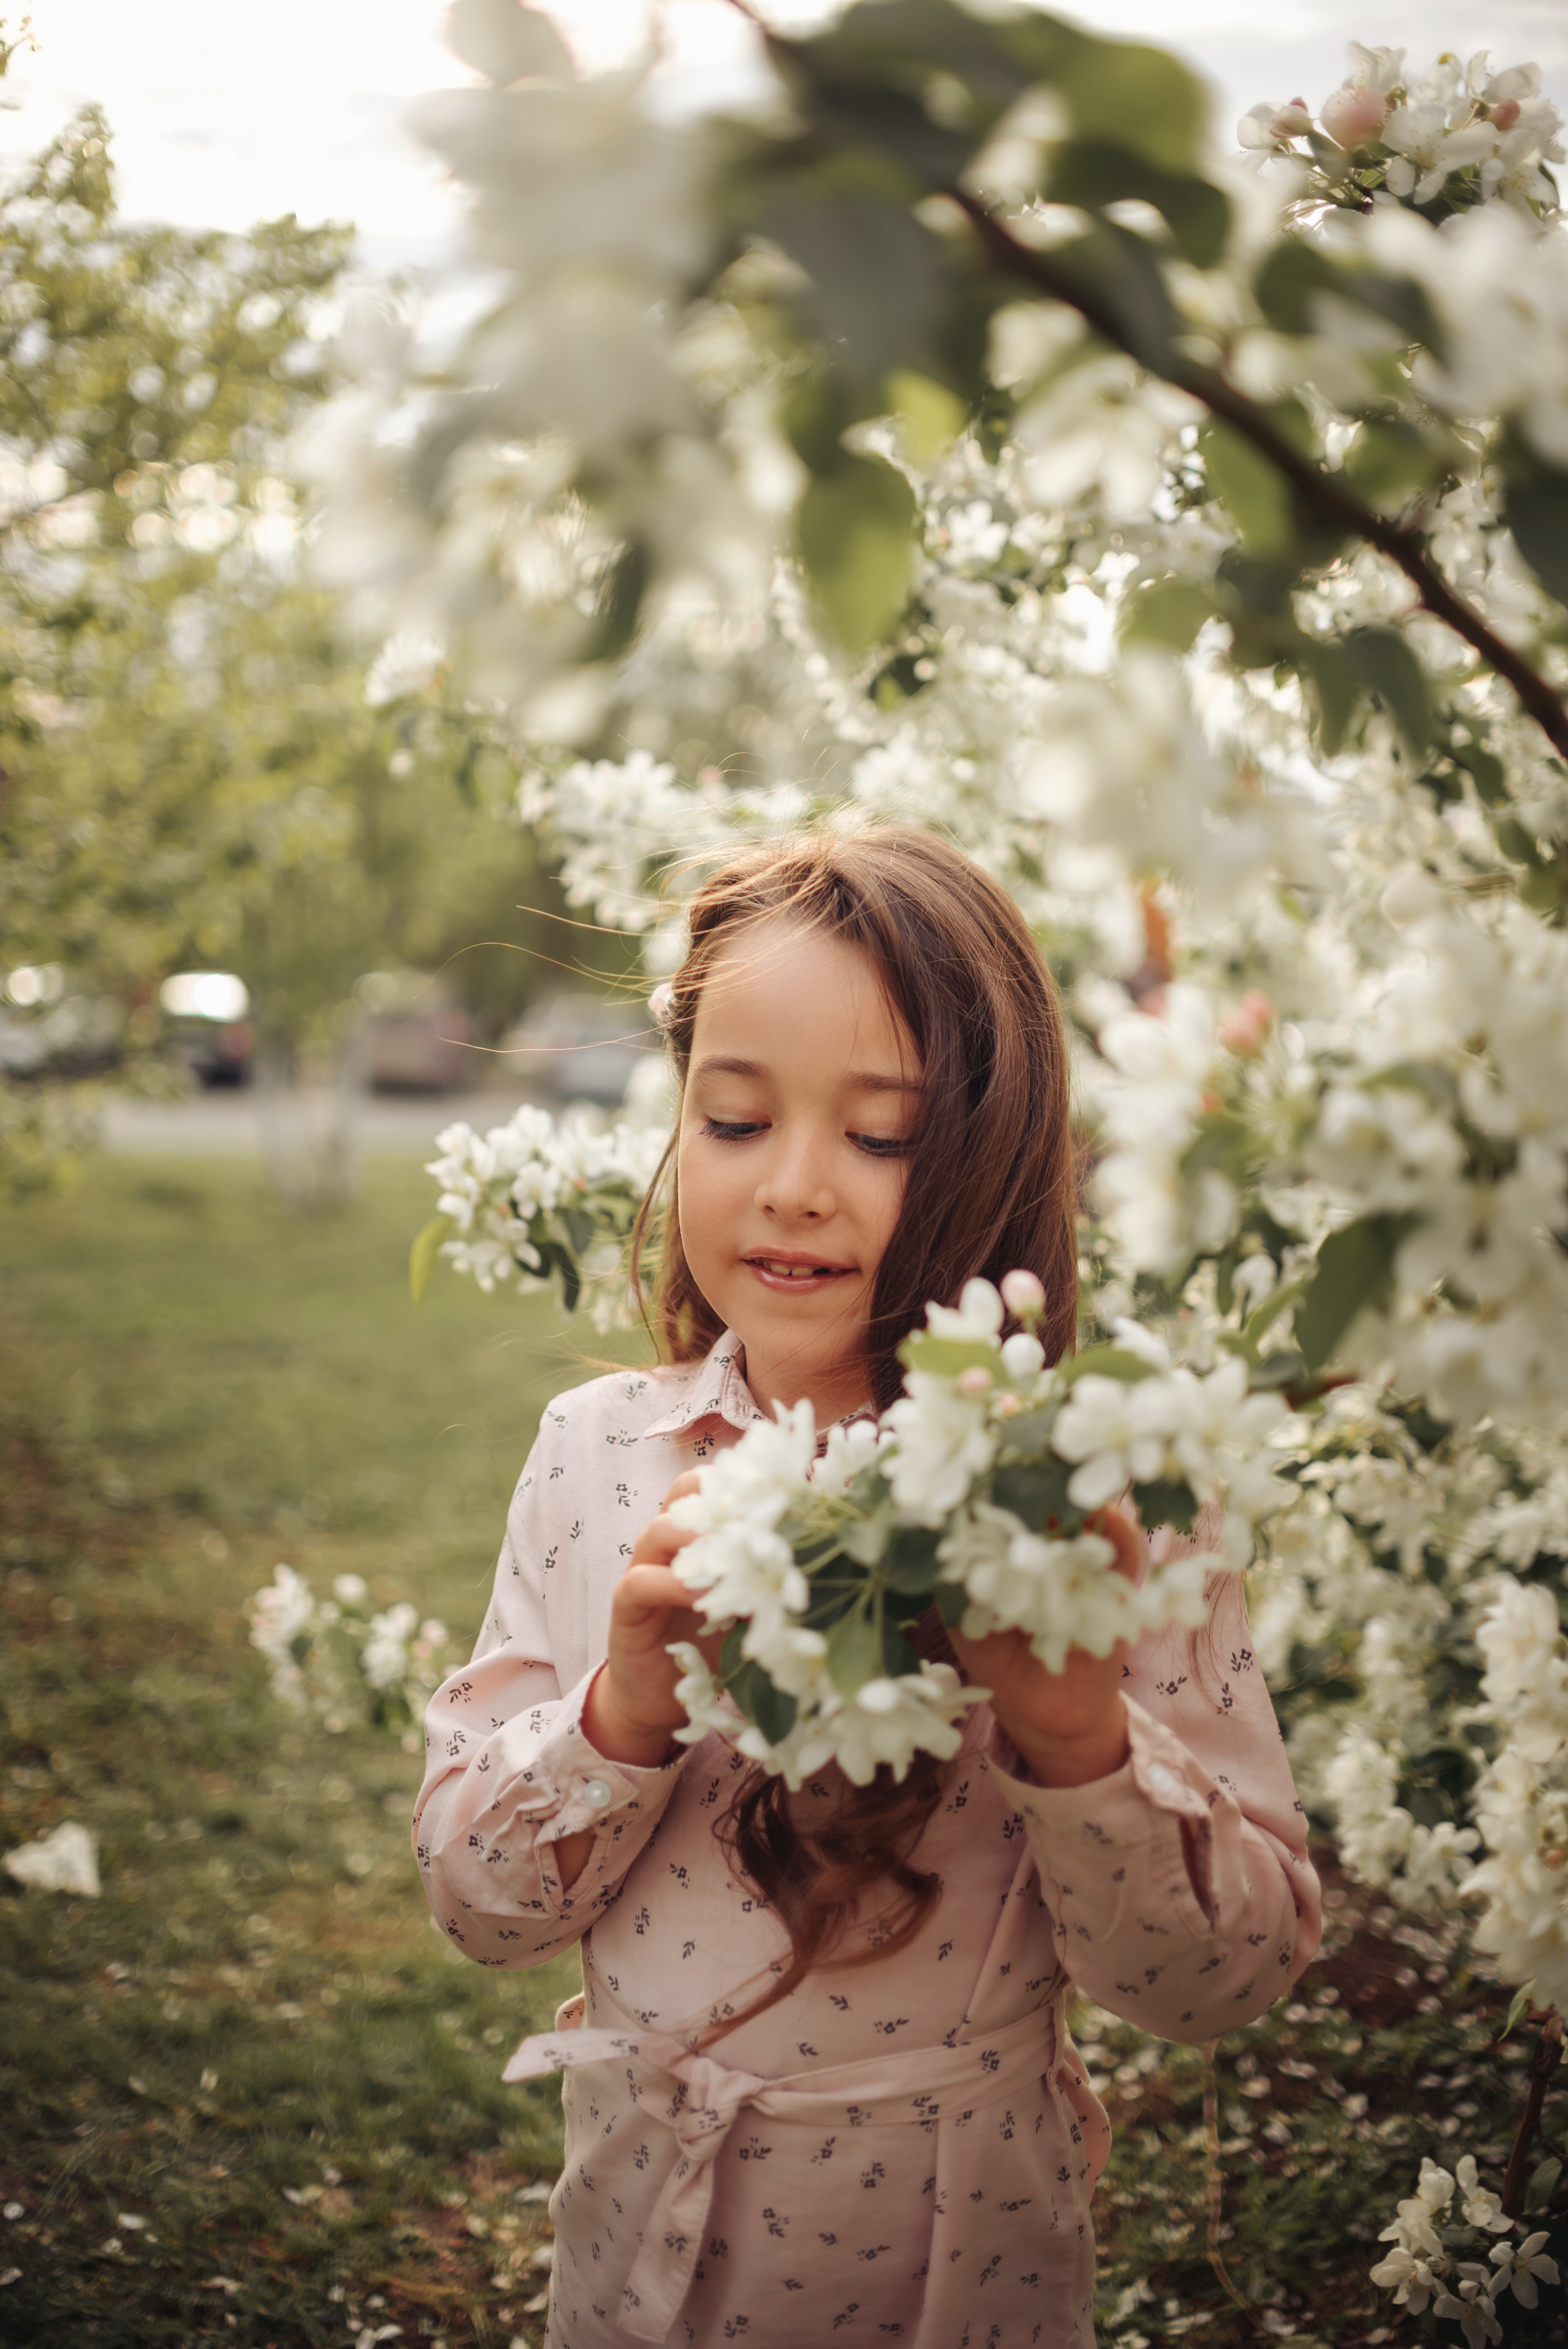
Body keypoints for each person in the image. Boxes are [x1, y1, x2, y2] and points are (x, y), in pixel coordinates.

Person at [414, 829, 1321, 2349]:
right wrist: (624, 1710)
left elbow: (1217, 1980)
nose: (794, 1189)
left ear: (995, 1150)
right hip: (644, 2259)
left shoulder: (1092, 1500)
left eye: (882, 1136)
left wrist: (1076, 1738)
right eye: (736, 1115)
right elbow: (476, 1905)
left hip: (948, 2268)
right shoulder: (597, 1460)